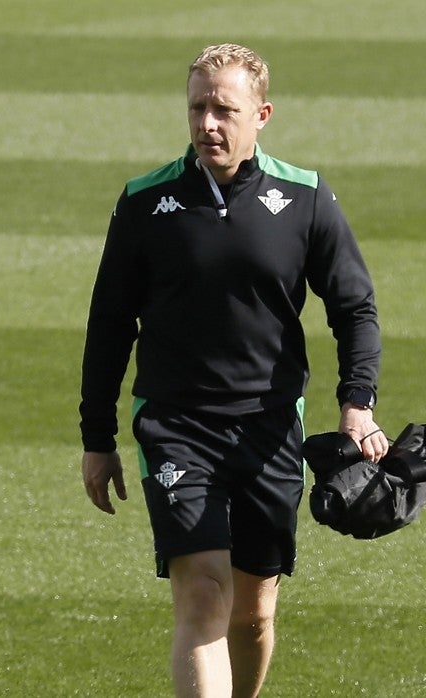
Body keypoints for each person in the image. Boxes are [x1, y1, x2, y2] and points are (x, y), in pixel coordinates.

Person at [79, 43, 386, 697]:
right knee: (203, 595)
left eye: (224, 109)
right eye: (197, 108)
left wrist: (357, 402)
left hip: (270, 429)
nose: (207, 124)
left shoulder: (305, 198)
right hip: (175, 425)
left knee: (252, 615)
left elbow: (355, 307)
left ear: (262, 114)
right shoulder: (144, 203)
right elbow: (108, 325)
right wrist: (97, 437)